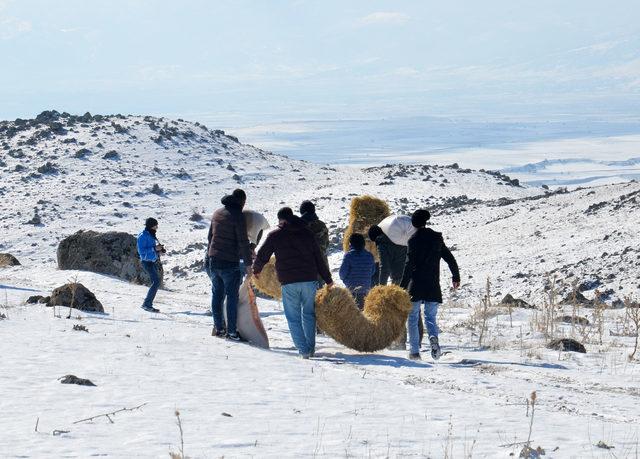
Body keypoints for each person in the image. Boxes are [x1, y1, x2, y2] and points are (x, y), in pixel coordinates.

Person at [253, 207, 333, 359]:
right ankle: (310, 348)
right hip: (309, 280)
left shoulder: (275, 235)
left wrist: (257, 270)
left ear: (281, 220)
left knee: (293, 317)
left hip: (289, 282)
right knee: (309, 314)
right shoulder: (307, 233)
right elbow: (318, 257)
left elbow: (263, 254)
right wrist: (328, 279)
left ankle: (304, 350)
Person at [400, 209, 460, 360]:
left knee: (413, 318)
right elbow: (449, 258)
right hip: (433, 284)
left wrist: (401, 287)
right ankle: (433, 338)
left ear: (414, 224)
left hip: (416, 285)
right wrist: (455, 276)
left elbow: (408, 266)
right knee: (430, 318)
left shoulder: (413, 241)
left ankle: (414, 352)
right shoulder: (437, 238)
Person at [207, 189, 253, 341]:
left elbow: (210, 237)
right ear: (242, 201)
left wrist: (210, 256)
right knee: (232, 297)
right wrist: (248, 264)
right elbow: (243, 242)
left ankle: (219, 328)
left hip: (214, 260)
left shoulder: (217, 213)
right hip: (229, 263)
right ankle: (232, 332)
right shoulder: (237, 216)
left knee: (217, 296)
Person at [339, 233, 376, 309]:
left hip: (352, 289)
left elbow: (342, 274)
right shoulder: (370, 256)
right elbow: (372, 271)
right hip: (366, 289)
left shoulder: (349, 256)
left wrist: (346, 281)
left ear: (351, 243)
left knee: (353, 313)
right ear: (363, 243)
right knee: (363, 312)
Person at [136, 217, 165, 313]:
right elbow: (141, 252)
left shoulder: (151, 234)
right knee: (156, 282)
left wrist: (159, 251)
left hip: (152, 261)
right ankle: (147, 304)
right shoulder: (142, 236)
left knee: (156, 282)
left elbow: (152, 248)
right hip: (146, 262)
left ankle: (147, 304)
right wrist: (154, 249)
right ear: (151, 226)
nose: (157, 228)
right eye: (155, 225)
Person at [299, 200, 330, 285]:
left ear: (302, 212)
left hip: (304, 268)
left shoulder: (298, 227)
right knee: (321, 295)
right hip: (322, 267)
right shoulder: (322, 225)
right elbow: (326, 244)